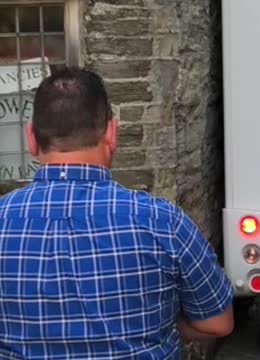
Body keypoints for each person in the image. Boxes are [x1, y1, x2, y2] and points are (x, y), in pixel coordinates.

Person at [0, 68, 234, 359]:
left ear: (31, 138)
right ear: (112, 133)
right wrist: (157, 325)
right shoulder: (162, 222)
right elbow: (218, 322)